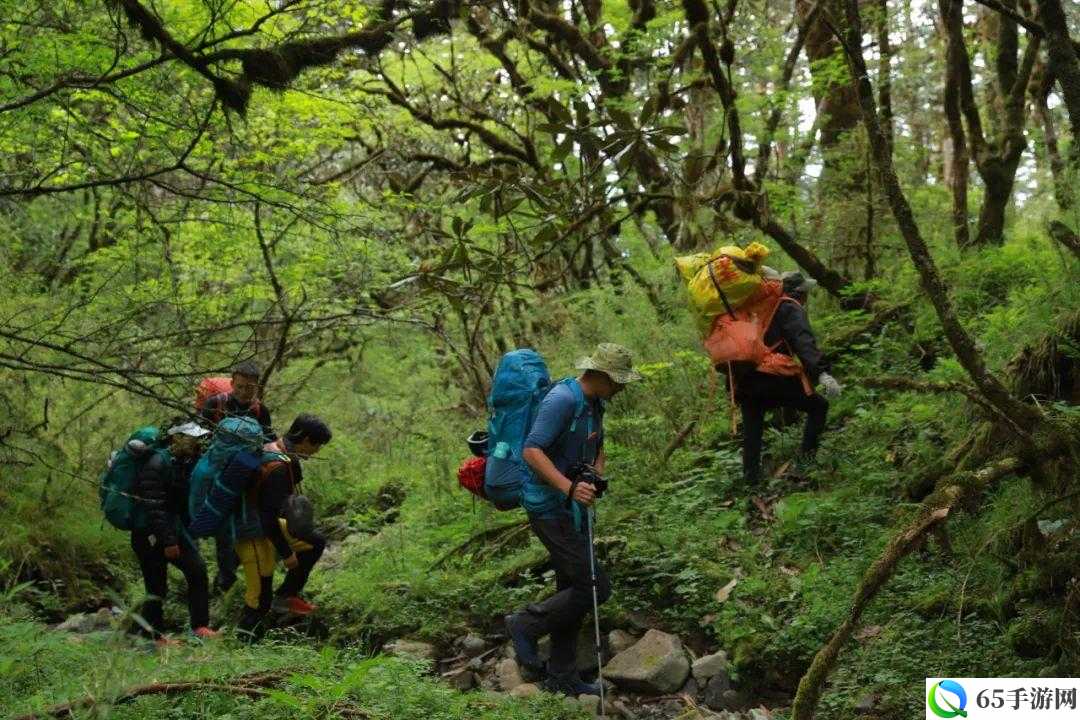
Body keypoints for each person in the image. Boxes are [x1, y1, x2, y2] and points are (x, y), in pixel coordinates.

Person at [505, 343, 642, 696]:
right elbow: (532, 451)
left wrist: (593, 478)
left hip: (571, 508)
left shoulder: (596, 404)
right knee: (595, 586)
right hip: (548, 509)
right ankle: (525, 624)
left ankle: (562, 676)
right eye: (618, 380)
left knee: (572, 590)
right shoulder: (562, 400)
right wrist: (570, 489)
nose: (622, 387)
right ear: (598, 375)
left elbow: (597, 448)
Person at [221, 414, 332, 639]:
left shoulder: (283, 453)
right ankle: (244, 643)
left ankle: (286, 595)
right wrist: (287, 553)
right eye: (317, 445)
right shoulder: (278, 467)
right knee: (260, 594)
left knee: (314, 542)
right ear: (306, 439)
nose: (317, 451)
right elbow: (267, 518)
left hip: (263, 522)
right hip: (250, 530)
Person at [733, 271, 842, 486]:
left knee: (752, 430)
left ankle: (750, 484)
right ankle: (804, 465)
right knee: (818, 407)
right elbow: (803, 342)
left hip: (745, 379)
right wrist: (822, 374)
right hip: (772, 375)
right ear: (800, 293)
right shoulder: (789, 306)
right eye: (806, 293)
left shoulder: (756, 309)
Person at [130, 421, 219, 645]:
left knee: (197, 571)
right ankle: (153, 636)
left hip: (170, 531)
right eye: (191, 438)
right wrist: (169, 540)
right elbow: (154, 506)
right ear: (176, 439)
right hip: (148, 535)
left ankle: (199, 627)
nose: (196, 443)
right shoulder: (155, 463)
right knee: (156, 586)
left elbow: (179, 503)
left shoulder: (181, 463)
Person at [199, 361, 273, 595]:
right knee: (223, 530)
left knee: (246, 524)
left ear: (257, 387)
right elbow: (201, 437)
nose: (243, 392)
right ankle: (225, 581)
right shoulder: (214, 405)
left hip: (248, 473)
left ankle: (232, 573)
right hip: (219, 474)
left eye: (249, 388)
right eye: (239, 387)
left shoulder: (261, 411)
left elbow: (268, 439)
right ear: (232, 383)